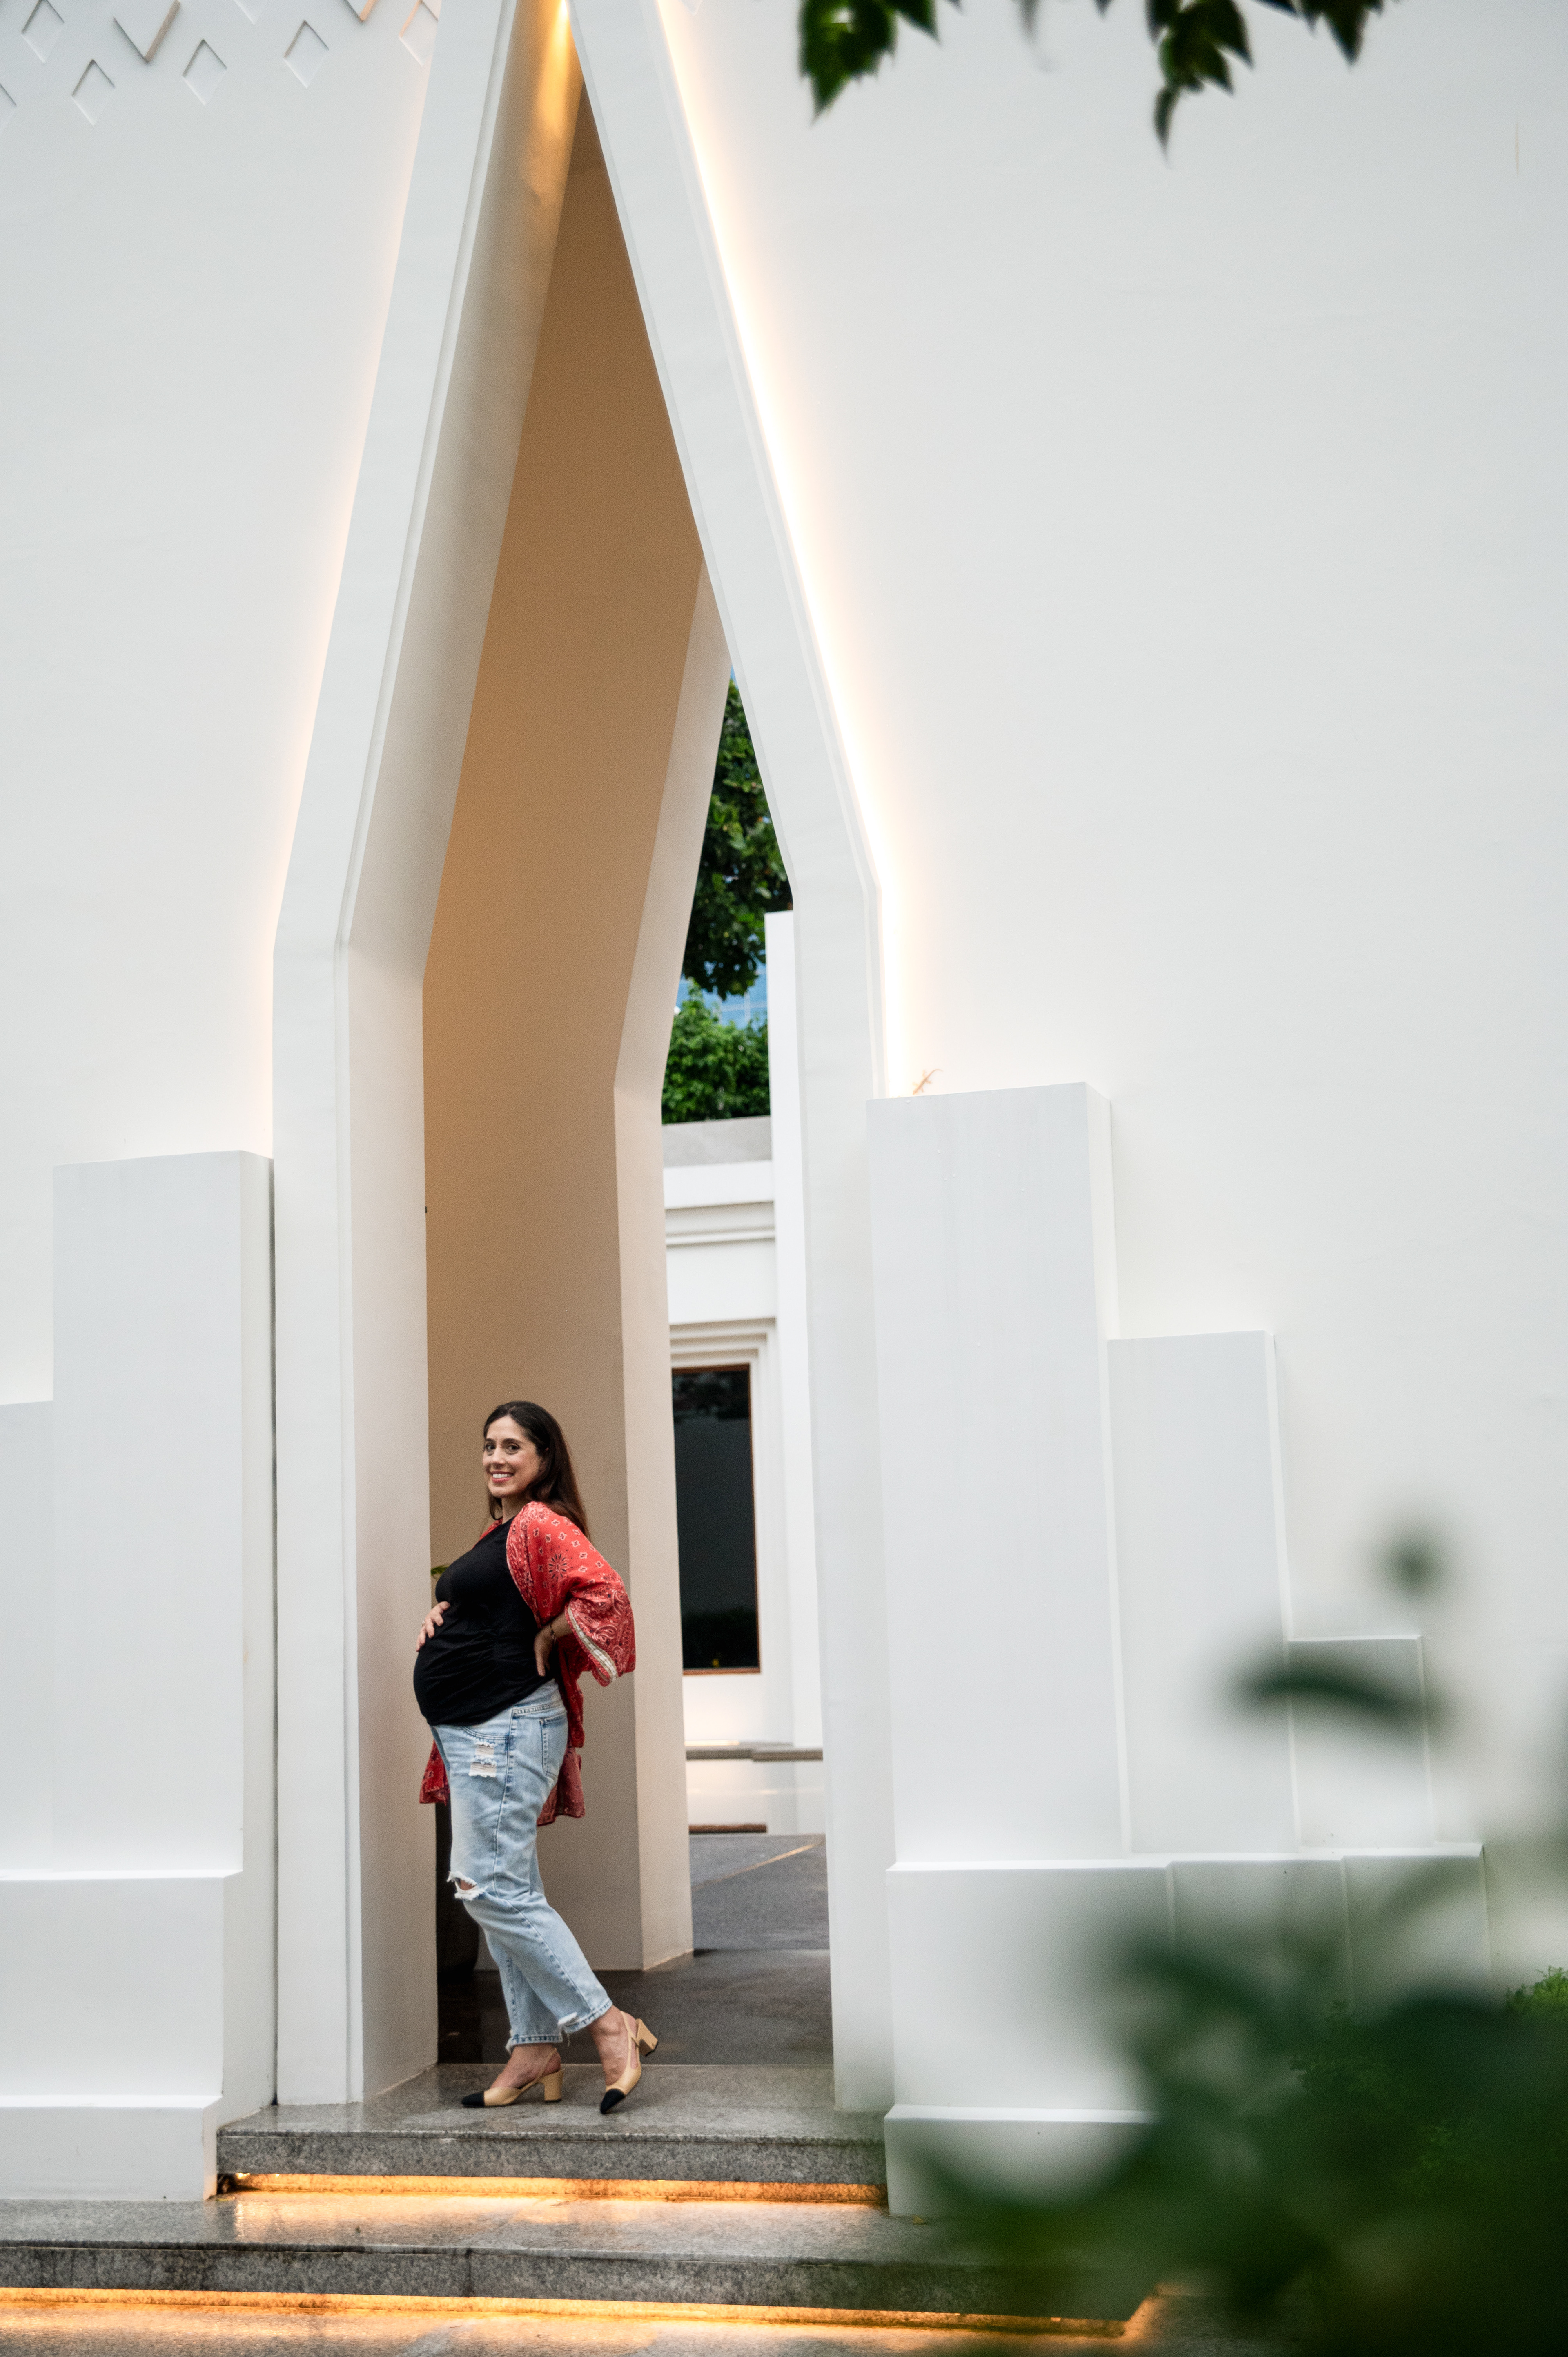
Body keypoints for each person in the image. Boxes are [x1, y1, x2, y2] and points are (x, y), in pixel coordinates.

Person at [414, 1400, 657, 2114]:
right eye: (489, 1444)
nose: (496, 1457)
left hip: (507, 1726)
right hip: (474, 1730)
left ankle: (608, 2024)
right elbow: (494, 1604)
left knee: (487, 1887)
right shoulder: (504, 1531)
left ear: (544, 1460)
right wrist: (443, 1612)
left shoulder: (542, 1522)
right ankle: (533, 2047)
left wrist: (556, 1631)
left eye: (513, 1446)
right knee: (506, 1887)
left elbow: (606, 1595)